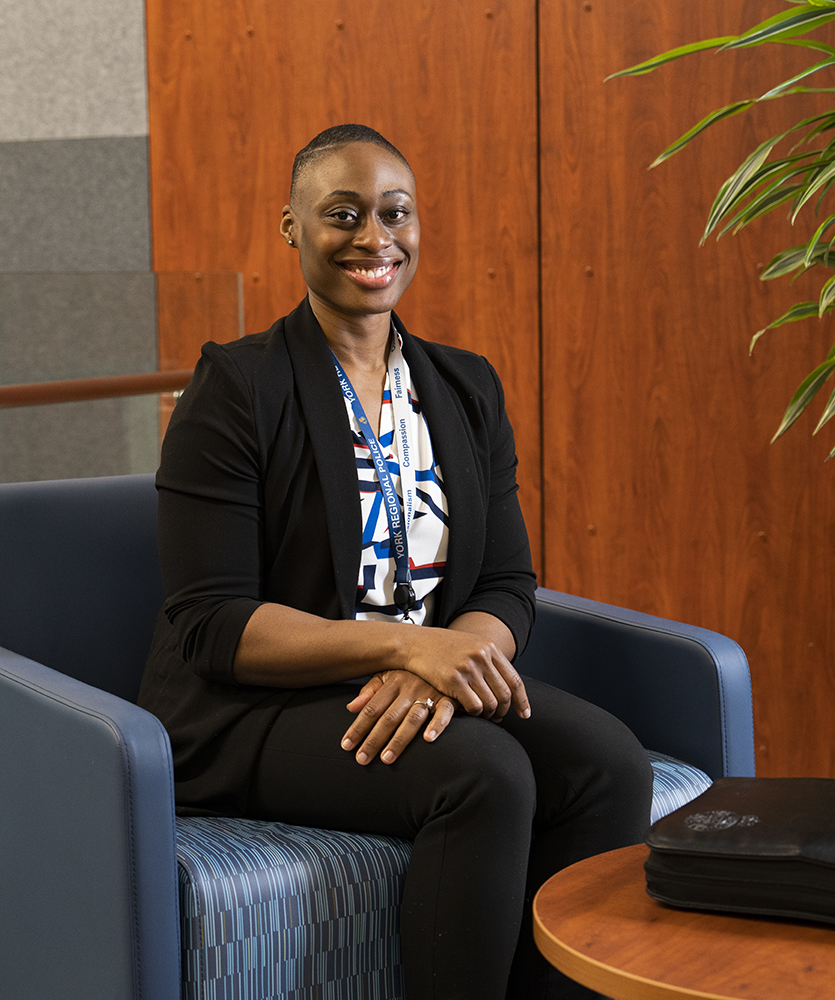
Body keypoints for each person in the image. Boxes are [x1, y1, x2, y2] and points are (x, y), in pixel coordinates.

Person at [138, 123, 652, 1000]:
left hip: (421, 674)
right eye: (342, 215)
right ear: (292, 229)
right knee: (484, 776)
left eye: (394, 213)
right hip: (253, 710)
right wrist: (406, 649)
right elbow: (213, 623)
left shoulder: (463, 386)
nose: (374, 238)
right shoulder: (237, 386)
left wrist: (443, 664)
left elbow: (505, 583)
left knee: (610, 761)